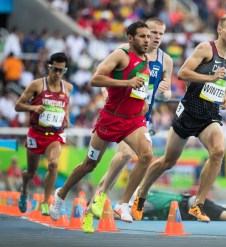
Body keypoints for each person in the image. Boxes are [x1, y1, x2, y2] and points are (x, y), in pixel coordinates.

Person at [130, 14, 226, 223]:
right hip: (189, 112)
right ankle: (141, 193)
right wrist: (210, 77)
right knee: (168, 161)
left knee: (218, 151)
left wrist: (224, 98)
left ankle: (198, 204)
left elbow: (217, 84)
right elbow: (183, 73)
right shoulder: (206, 49)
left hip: (209, 116)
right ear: (220, 29)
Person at [49, 22, 152, 226]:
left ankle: (123, 204)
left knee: (147, 155)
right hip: (110, 120)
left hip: (133, 121)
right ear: (130, 38)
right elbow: (95, 79)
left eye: (148, 37)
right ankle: (61, 194)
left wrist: (144, 101)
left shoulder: (146, 58)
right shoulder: (121, 54)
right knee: (89, 164)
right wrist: (126, 83)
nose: (147, 40)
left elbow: (139, 86)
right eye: (142, 36)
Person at [82, 18, 173, 232]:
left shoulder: (165, 60)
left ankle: (93, 205)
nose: (156, 37)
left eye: (161, 33)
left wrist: (165, 92)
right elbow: (101, 75)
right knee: (123, 156)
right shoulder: (124, 51)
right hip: (121, 113)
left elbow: (166, 89)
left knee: (132, 157)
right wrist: (109, 93)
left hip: (143, 116)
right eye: (152, 33)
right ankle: (106, 198)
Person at [15, 52, 73, 216]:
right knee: (31, 173)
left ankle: (45, 202)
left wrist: (66, 115)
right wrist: (33, 107)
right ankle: (24, 190)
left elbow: (65, 104)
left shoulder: (67, 87)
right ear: (49, 67)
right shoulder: (36, 85)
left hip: (55, 135)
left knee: (53, 164)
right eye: (55, 69)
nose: (57, 74)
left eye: (61, 71)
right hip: (36, 133)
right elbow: (18, 106)